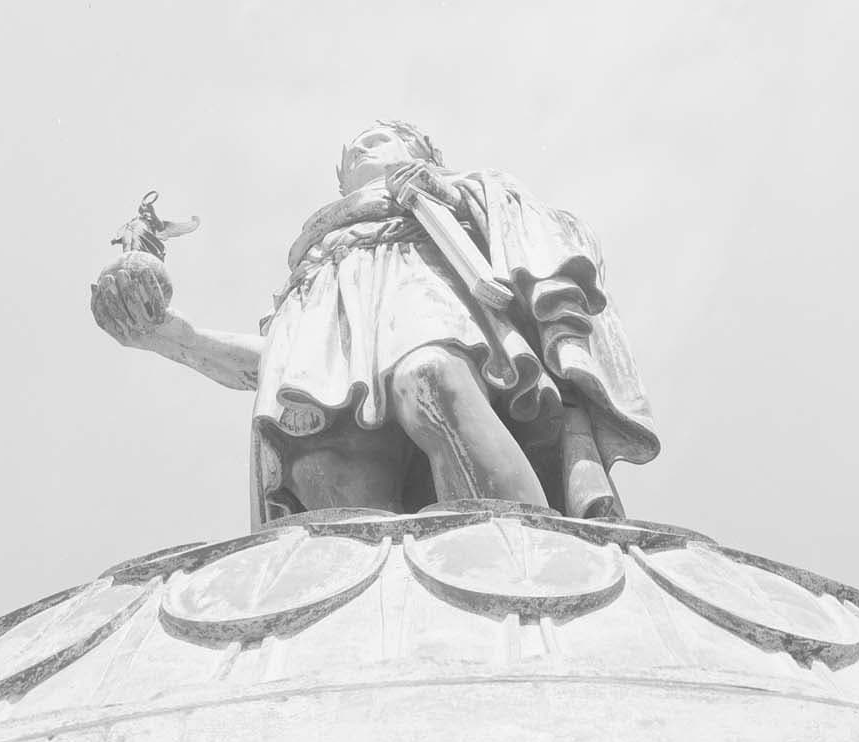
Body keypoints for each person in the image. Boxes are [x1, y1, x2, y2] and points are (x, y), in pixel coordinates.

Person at [91, 120, 660, 527]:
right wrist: (171, 336)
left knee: (429, 378)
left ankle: (524, 561)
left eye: (379, 137)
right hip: (333, 413)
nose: (360, 146)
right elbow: (279, 367)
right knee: (318, 461)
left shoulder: (451, 209)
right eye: (351, 153)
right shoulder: (317, 271)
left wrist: (450, 193)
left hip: (440, 300)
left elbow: (557, 242)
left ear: (425, 151)